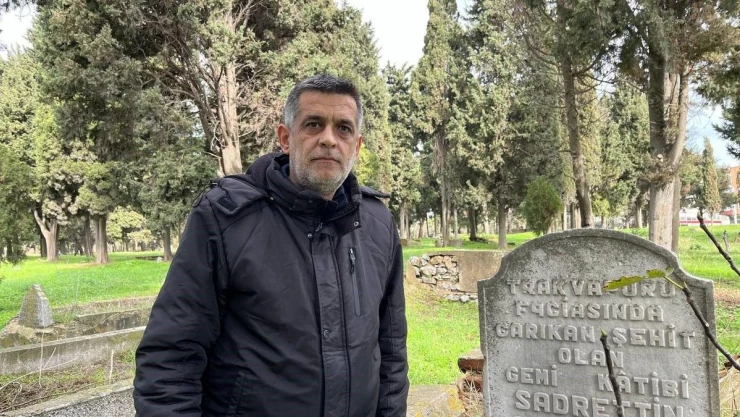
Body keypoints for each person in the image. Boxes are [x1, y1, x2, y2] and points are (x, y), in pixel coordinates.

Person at [133, 75, 409, 417]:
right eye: (313, 124)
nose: (328, 139)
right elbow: (171, 358)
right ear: (285, 138)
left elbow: (391, 351)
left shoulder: (377, 223)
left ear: (357, 145)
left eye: (343, 129)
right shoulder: (225, 219)